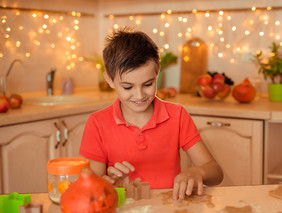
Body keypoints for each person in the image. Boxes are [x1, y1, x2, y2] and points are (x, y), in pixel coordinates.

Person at [79, 27, 223, 200]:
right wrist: (106, 181)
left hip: (170, 212)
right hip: (122, 212)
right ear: (109, 79)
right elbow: (89, 183)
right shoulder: (97, 122)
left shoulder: (177, 116)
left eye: (148, 84)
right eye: (128, 87)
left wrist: (197, 172)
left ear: (157, 72)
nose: (139, 95)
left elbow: (215, 172)